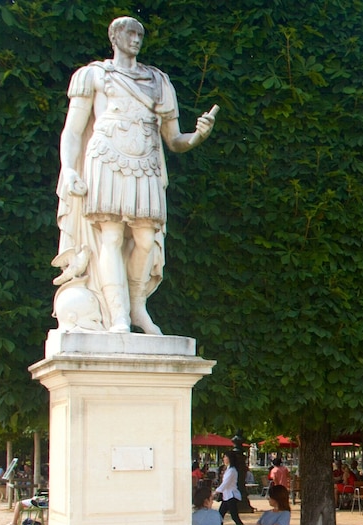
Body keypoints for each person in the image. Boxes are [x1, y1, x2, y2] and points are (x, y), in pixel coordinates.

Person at [53, 16, 216, 334]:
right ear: (114, 37)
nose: (136, 39)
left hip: (147, 163)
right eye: (130, 33)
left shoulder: (157, 81)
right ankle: (118, 317)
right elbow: (72, 131)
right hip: (107, 159)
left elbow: (174, 140)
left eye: (140, 34)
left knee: (145, 238)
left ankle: (137, 304)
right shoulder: (94, 76)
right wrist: (69, 168)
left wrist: (197, 136)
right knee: (111, 236)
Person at [215, 453, 244, 525]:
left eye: (225, 457)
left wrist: (216, 492)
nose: (224, 459)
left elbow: (225, 483)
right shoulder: (228, 469)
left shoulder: (232, 470)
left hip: (231, 496)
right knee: (220, 515)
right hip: (227, 496)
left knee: (234, 516)